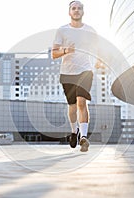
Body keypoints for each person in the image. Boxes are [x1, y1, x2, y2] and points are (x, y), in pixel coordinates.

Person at [52, 1, 103, 152]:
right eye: (73, 8)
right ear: (69, 12)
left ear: (83, 12)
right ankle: (74, 132)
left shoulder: (90, 30)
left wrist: (100, 59)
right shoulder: (62, 30)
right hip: (67, 73)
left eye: (79, 8)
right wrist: (66, 50)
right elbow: (54, 54)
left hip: (85, 71)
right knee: (72, 107)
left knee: (82, 102)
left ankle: (84, 137)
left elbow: (99, 48)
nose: (76, 10)